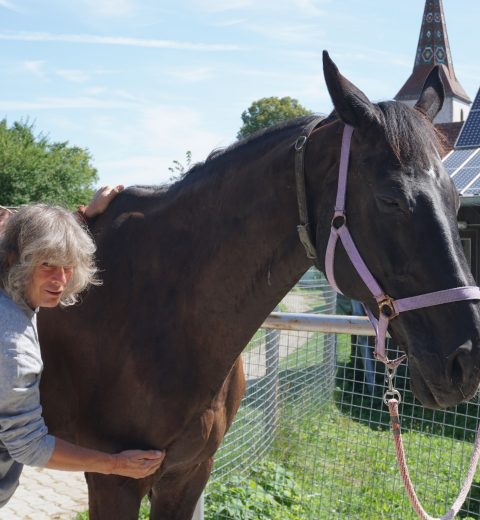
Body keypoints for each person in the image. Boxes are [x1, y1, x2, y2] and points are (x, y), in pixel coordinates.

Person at [0, 186, 165, 508]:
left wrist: (82, 218)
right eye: (47, 264)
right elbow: (29, 447)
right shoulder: (14, 348)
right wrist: (116, 465)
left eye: (68, 265)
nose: (60, 280)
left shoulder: (11, 288)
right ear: (14, 259)